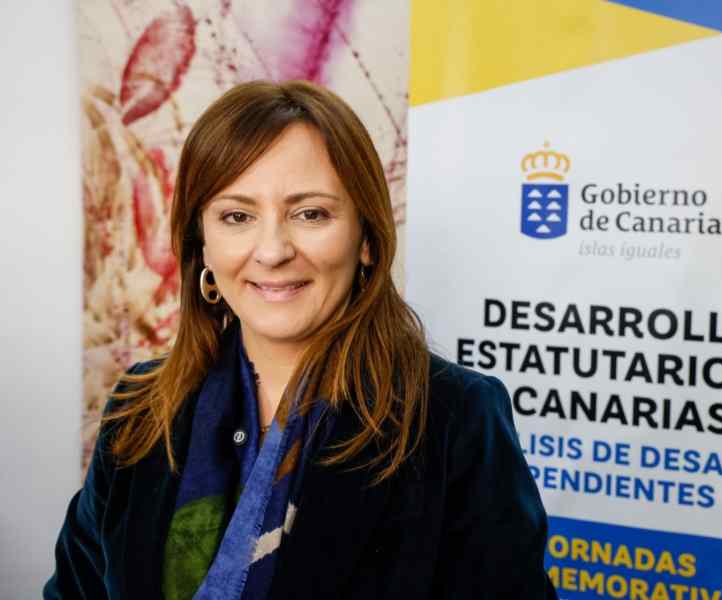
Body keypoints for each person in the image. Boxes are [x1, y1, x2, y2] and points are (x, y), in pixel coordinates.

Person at [45, 80, 557, 600]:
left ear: (366, 238)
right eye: (237, 216)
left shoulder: (455, 417)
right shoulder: (139, 408)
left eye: (310, 213)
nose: (272, 252)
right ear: (203, 244)